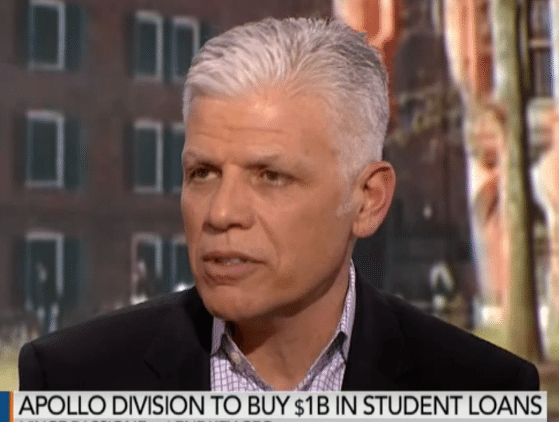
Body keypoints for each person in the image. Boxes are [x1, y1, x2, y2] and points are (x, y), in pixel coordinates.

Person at [19, 17, 539, 391]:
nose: (221, 213)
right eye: (202, 173)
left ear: (368, 199)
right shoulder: (71, 380)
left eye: (270, 176)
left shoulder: (481, 388)